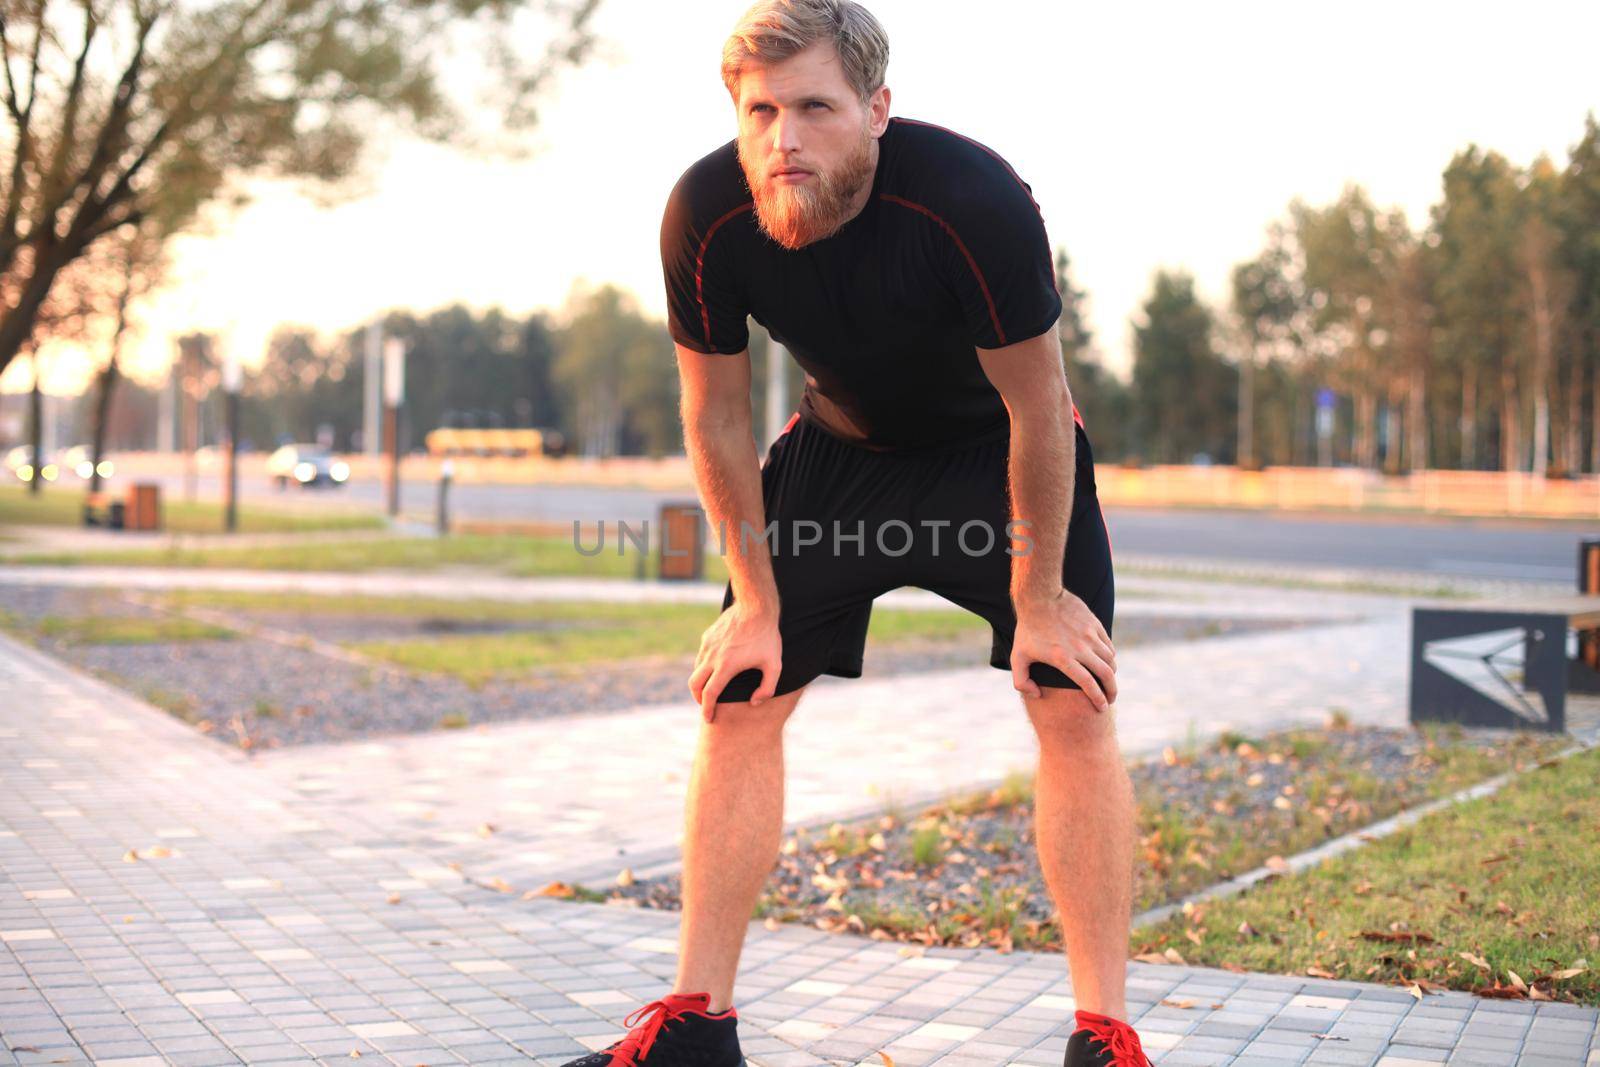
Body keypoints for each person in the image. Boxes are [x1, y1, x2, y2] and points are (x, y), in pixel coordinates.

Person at [562, 2, 1145, 1065]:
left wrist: (1040, 596)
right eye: (760, 111)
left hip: (995, 458)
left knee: (1070, 692)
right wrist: (755, 598)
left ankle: (1102, 1032)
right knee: (739, 693)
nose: (783, 139)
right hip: (839, 459)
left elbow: (1036, 401)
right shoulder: (705, 212)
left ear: (876, 109)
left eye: (816, 108)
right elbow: (716, 416)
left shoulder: (971, 200)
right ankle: (696, 1024)